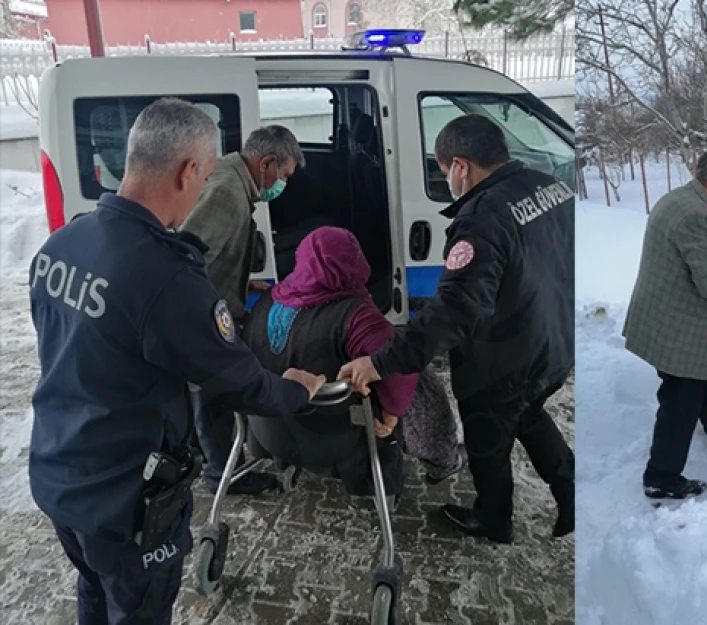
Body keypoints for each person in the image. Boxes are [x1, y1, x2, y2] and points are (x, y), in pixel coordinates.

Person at [27, 98, 325, 625]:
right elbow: (241, 385)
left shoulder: (63, 244)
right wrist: (298, 389)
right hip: (126, 505)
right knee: (136, 607)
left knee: (95, 591)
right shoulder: (166, 278)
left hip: (60, 477)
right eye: (206, 175)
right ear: (189, 171)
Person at [338, 114, 575, 545]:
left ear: (461, 166)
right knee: (531, 414)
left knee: (488, 438)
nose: (447, 179)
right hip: (552, 339)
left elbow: (454, 312)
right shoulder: (550, 187)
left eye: (445, 170)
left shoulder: (482, 220)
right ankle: (572, 495)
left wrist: (381, 362)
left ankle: (493, 519)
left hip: (502, 358)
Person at [241, 226, 467, 501]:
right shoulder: (359, 318)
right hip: (337, 443)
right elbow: (399, 371)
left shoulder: (264, 302)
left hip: (271, 434)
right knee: (423, 382)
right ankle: (442, 459)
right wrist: (392, 414)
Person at [622, 144, 707, 501]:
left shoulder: (684, 200)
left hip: (670, 314)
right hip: (676, 325)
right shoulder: (695, 216)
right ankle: (661, 476)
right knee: (680, 401)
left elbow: (696, 266)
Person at [180, 124, 305, 495]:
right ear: (266, 162)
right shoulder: (228, 193)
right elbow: (187, 260)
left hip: (206, 305)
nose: (282, 185)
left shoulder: (227, 174)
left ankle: (203, 458)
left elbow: (209, 251)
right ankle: (222, 476)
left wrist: (240, 279)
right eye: (282, 175)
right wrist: (213, 307)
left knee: (202, 394)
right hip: (201, 316)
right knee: (215, 395)